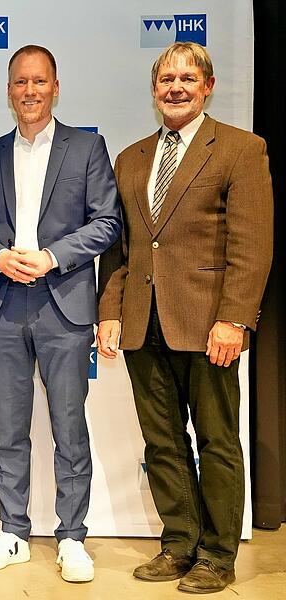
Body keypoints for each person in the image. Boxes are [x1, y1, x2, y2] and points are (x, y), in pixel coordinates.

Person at [97, 42, 273, 594]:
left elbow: (252, 243)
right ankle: (179, 545)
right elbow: (121, 249)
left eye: (187, 78)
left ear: (208, 85)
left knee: (217, 441)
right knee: (163, 442)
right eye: (166, 79)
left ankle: (218, 556)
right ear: (154, 90)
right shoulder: (131, 158)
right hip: (141, 321)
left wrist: (235, 320)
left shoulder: (242, 149)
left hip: (208, 325)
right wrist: (109, 312)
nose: (176, 87)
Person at [0, 45, 121, 583]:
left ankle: (72, 537)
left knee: (69, 428)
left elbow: (106, 223)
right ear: (9, 91)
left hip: (65, 305)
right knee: (10, 429)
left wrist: (53, 256)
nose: (29, 91)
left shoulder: (87, 147)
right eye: (19, 83)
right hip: (6, 305)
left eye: (39, 82)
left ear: (56, 87)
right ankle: (12, 532)